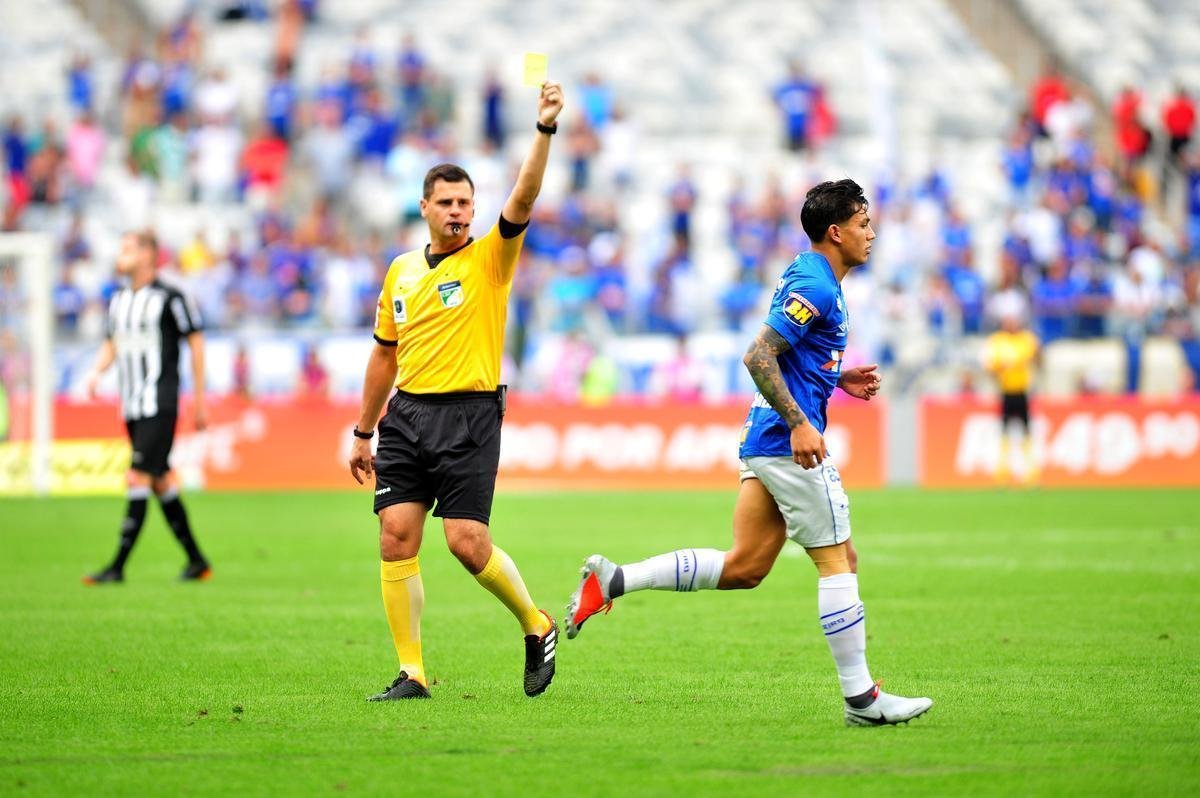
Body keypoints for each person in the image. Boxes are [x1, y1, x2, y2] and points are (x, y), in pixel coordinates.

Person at [565, 179, 933, 726]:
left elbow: (789, 356)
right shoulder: (818, 284)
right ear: (836, 232)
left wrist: (833, 376)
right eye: (863, 223)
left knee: (747, 565)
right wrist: (802, 423)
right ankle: (862, 700)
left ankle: (615, 580)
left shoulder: (814, 274)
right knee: (840, 561)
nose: (871, 234)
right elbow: (758, 355)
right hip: (787, 443)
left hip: (764, 439)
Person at [348, 81, 564, 701]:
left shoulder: (492, 259)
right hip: (407, 414)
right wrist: (364, 431)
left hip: (470, 413)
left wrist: (543, 129)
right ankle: (411, 672)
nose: (458, 212)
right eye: (446, 202)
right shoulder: (401, 270)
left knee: (467, 543)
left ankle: (534, 621)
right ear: (424, 207)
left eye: (466, 202)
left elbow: (523, 195)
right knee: (395, 535)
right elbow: (384, 354)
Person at [83, 231, 211, 584]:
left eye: (127, 248)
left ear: (148, 255)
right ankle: (197, 560)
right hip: (132, 404)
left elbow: (196, 343)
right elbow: (113, 343)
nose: (119, 255)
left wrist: (199, 400)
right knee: (159, 481)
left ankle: (117, 566)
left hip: (160, 401)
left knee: (137, 474)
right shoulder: (119, 300)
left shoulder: (171, 297)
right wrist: (95, 372)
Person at [983, 309, 1040, 484]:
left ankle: (1031, 474)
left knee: (1027, 432)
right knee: (1005, 433)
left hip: (1022, 391)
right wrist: (1004, 368)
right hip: (1006, 391)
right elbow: (990, 367)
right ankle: (1002, 473)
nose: (1011, 324)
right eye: (1008, 321)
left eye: (1014, 321)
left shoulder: (1027, 339)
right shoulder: (997, 341)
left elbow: (1037, 358)